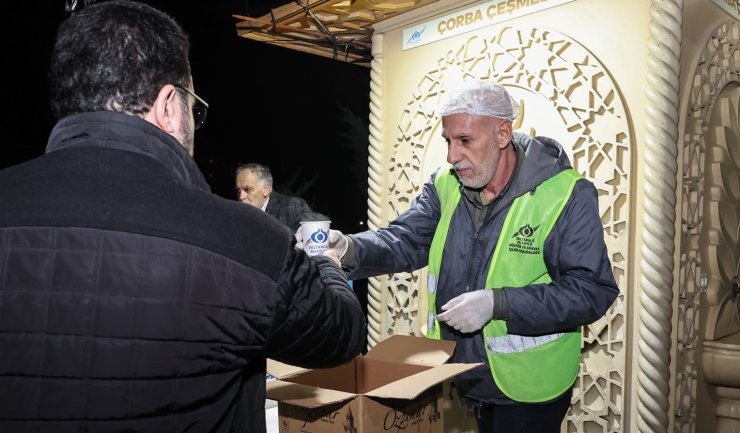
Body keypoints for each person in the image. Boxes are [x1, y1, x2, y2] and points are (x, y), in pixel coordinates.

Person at [0, 2, 365, 433]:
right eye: (195, 109)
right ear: (170, 106)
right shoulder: (245, 239)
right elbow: (341, 335)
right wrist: (324, 259)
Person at [298, 80, 619, 432]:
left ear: (502, 133)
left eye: (465, 141)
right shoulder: (446, 184)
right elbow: (405, 240)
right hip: (458, 376)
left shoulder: (565, 193)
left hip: (528, 390)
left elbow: (591, 291)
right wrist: (348, 247)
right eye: (448, 141)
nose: (452, 156)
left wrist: (498, 303)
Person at [235, 162, 327, 232]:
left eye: (248, 190)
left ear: (266, 189)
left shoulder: (293, 207)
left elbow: (310, 240)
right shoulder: (235, 214)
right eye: (238, 191)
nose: (241, 196)